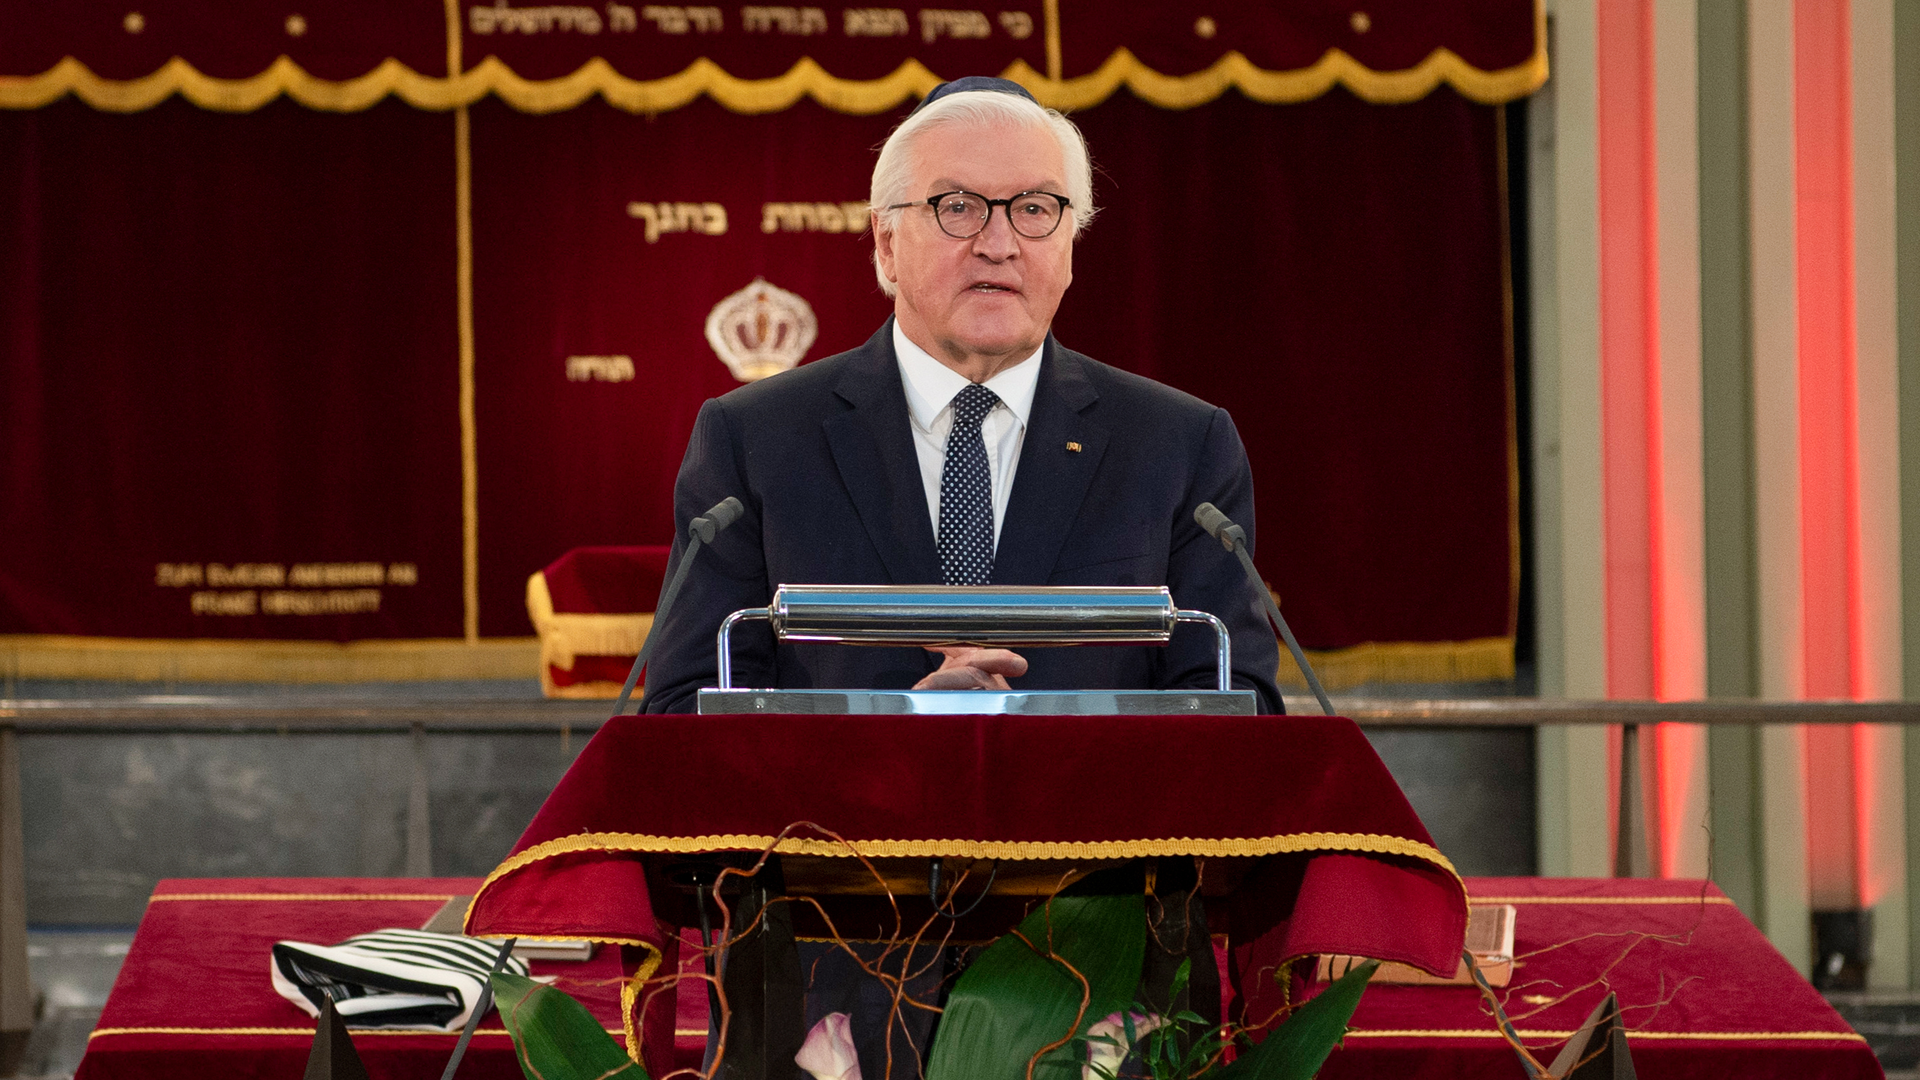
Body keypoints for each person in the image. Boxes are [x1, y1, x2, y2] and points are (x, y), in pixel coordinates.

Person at [641, 76, 1284, 715]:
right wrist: (898, 722)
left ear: (1069, 246)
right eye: (957, 207)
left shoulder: (1180, 443)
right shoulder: (755, 439)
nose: (998, 244)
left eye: (1034, 209)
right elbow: (681, 709)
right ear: (887, 243)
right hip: (835, 820)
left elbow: (1237, 700)